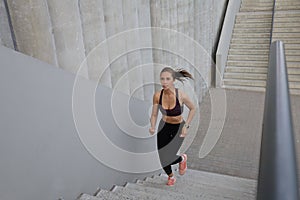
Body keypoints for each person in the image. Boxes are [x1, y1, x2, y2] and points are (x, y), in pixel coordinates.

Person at [149, 67, 196, 186]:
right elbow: (154, 114)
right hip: (163, 126)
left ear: (173, 80)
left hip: (178, 128)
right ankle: (171, 176)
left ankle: (182, 159)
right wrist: (152, 126)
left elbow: (193, 108)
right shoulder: (157, 96)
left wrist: (186, 126)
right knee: (162, 158)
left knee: (169, 156)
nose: (164, 82)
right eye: (162, 79)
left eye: (167, 79)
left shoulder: (181, 95)